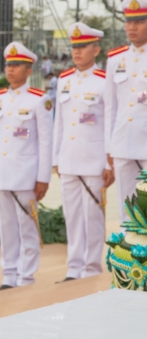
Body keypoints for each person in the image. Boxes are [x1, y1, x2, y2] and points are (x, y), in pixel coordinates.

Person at [0, 42, 52, 290]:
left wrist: (43, 177)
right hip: (1, 174)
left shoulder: (38, 100)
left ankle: (26, 275)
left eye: (16, 65)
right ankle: (8, 275)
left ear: (28, 69)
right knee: (6, 227)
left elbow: (46, 142)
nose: (10, 70)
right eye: (8, 65)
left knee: (27, 226)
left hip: (26, 174)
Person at [53, 23, 114, 280]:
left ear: (96, 49)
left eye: (83, 47)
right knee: (73, 215)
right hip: (68, 158)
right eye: (75, 47)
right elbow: (59, 123)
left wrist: (109, 161)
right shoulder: (64, 80)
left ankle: (91, 267)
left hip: (94, 159)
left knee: (92, 216)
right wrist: (56, 157)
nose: (77, 52)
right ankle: (73, 267)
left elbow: (109, 120)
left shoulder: (104, 80)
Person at [105, 0, 147, 222]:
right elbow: (110, 107)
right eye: (129, 21)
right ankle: (131, 258)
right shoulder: (115, 59)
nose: (132, 27)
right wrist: (109, 148)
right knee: (128, 212)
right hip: (123, 144)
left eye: (139, 21)